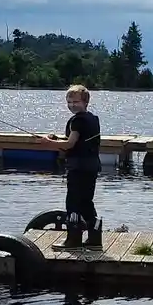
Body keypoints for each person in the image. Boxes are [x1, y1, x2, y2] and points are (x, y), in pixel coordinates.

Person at [38, 84, 102, 248]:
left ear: (85, 102)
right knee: (87, 202)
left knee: (73, 202)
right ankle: (95, 239)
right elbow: (79, 143)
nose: (72, 105)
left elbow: (69, 144)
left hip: (78, 168)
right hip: (92, 166)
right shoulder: (93, 119)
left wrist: (48, 143)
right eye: (69, 102)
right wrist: (57, 139)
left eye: (75, 102)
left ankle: (73, 240)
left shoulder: (77, 120)